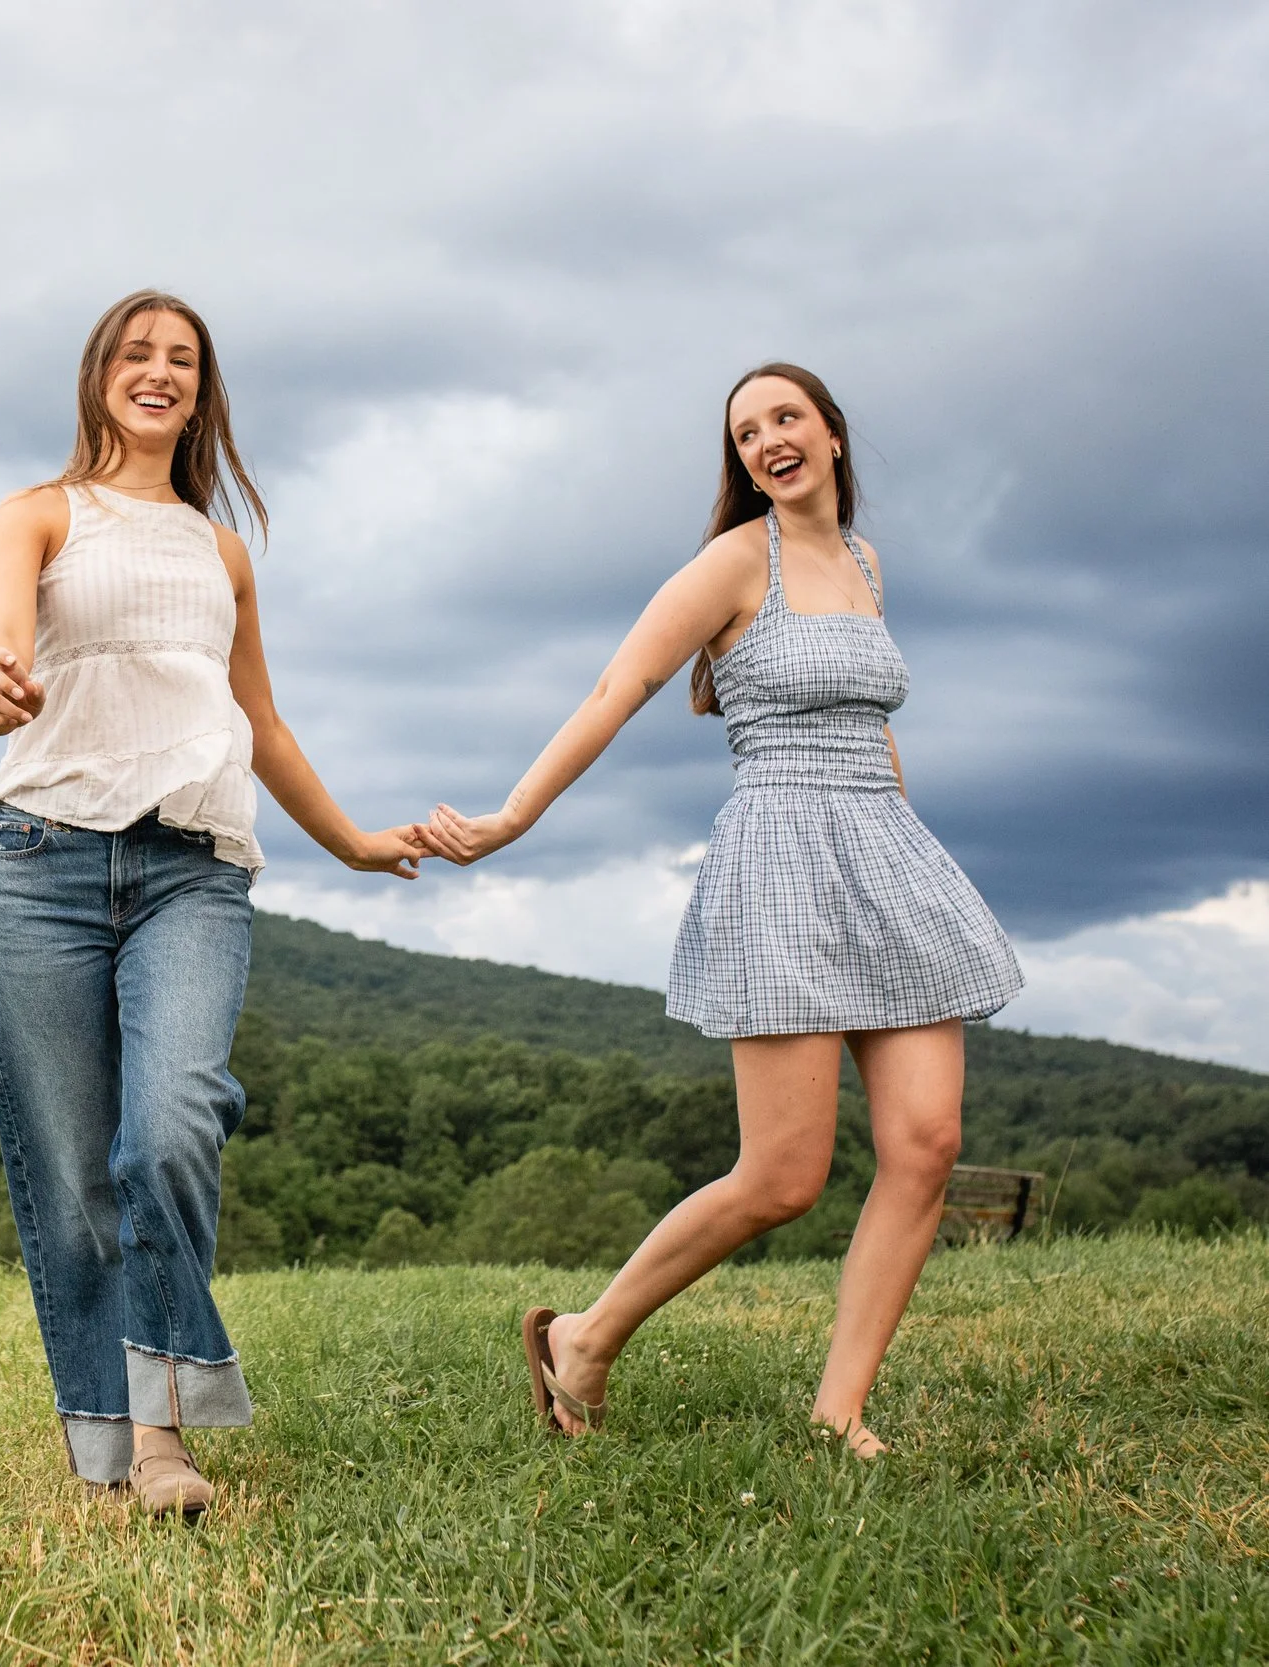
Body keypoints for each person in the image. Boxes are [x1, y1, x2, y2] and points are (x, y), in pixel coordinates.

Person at [419, 364, 1021, 1457]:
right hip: (779, 862)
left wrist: (903, 852)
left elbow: (867, 720)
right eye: (745, 431)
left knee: (926, 1143)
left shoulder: (868, 564)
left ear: (832, 435)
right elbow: (615, 689)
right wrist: (510, 816)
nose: (766, 441)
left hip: (883, 851)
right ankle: (585, 1336)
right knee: (782, 1176)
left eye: (785, 418)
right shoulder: (735, 562)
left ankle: (840, 1407)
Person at [0, 290, 431, 1518]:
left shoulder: (220, 548)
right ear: (98, 375)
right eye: (137, 353)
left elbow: (260, 720)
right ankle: (110, 1446)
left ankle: (167, 1435)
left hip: (195, 866)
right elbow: (2, 628)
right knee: (71, 1173)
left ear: (201, 389)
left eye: (181, 358)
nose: (157, 371)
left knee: (168, 1127)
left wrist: (351, 841)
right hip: (41, 857)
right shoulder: (35, 514)